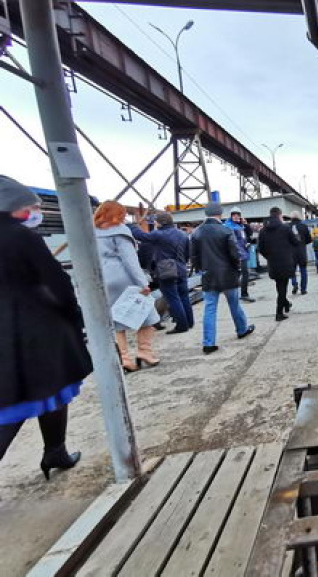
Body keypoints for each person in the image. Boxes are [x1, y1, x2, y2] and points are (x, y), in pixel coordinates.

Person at [0, 176, 91, 477]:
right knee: (21, 400)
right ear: (14, 207)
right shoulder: (20, 236)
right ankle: (55, 451)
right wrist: (72, 314)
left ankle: (56, 451)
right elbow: (56, 281)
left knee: (48, 393)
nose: (36, 212)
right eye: (32, 206)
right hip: (33, 330)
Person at [95, 201, 161, 372]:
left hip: (103, 279)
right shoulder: (120, 231)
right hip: (123, 277)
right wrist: (143, 283)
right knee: (147, 314)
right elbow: (130, 261)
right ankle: (145, 352)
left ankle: (124, 358)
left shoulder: (92, 231)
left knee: (116, 319)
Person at [192, 202, 255, 353]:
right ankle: (242, 329)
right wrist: (237, 269)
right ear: (220, 214)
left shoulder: (197, 232)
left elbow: (194, 257)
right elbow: (234, 254)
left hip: (209, 276)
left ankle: (208, 343)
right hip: (228, 275)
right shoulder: (226, 230)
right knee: (234, 304)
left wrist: (202, 269)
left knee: (210, 309)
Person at [130, 211, 194, 334]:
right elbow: (187, 253)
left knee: (173, 298)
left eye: (156, 221)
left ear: (161, 223)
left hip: (166, 270)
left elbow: (141, 236)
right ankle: (189, 322)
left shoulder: (158, 234)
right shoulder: (182, 234)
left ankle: (182, 325)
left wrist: (132, 226)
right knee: (184, 296)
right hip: (181, 268)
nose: (154, 223)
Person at [258, 207, 299, 321]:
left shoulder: (263, 230)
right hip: (285, 262)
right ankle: (279, 313)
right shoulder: (285, 228)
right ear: (280, 215)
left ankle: (286, 303)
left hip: (272, 263)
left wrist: (269, 257)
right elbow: (296, 242)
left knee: (279, 286)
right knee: (282, 288)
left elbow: (261, 248)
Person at [224, 207, 255, 302]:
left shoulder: (240, 226)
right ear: (231, 216)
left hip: (242, 252)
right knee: (242, 274)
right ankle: (242, 294)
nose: (236, 217)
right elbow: (233, 242)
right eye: (234, 215)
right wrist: (238, 253)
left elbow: (248, 235)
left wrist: (245, 224)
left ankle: (241, 294)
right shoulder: (229, 226)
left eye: (238, 215)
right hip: (238, 254)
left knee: (243, 274)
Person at [289, 211, 312, 295]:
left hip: (291, 253)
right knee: (303, 271)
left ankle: (294, 284)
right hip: (301, 252)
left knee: (292, 271)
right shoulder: (304, 226)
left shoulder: (287, 226)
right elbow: (309, 240)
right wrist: (302, 242)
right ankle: (303, 289)